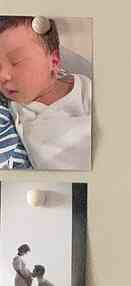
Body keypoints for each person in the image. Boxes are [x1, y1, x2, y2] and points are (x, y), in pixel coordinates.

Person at [0, 16, 91, 171]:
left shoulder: (85, 87)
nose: (3, 76)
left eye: (17, 61)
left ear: (54, 61)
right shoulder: (14, 110)